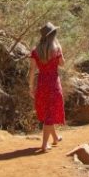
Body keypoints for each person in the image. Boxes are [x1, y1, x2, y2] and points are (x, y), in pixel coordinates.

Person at [29, 22, 66, 152]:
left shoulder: (35, 51)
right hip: (54, 83)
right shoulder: (56, 49)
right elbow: (62, 64)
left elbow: (32, 70)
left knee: (47, 112)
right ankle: (44, 145)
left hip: (41, 83)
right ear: (52, 35)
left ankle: (55, 138)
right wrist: (60, 49)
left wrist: (30, 86)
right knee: (50, 114)